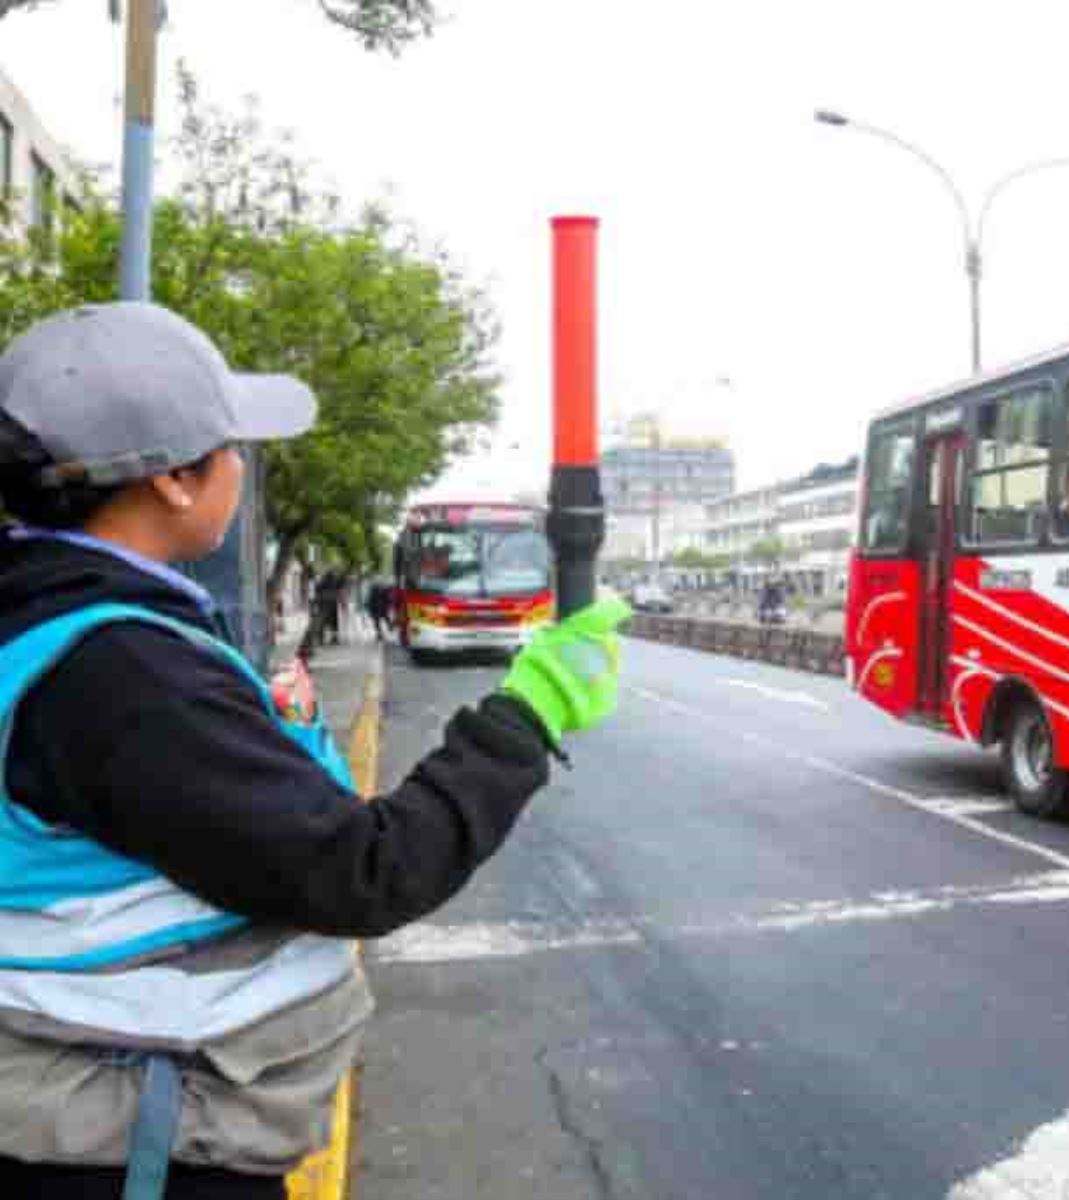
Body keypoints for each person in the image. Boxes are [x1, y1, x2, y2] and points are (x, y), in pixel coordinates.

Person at [0, 302, 627, 1199]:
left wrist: (254, 731)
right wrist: (529, 714)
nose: (242, 471)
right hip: (134, 1155)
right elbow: (363, 872)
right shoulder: (121, 671)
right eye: (233, 451)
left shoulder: (53, 617)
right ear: (177, 479)